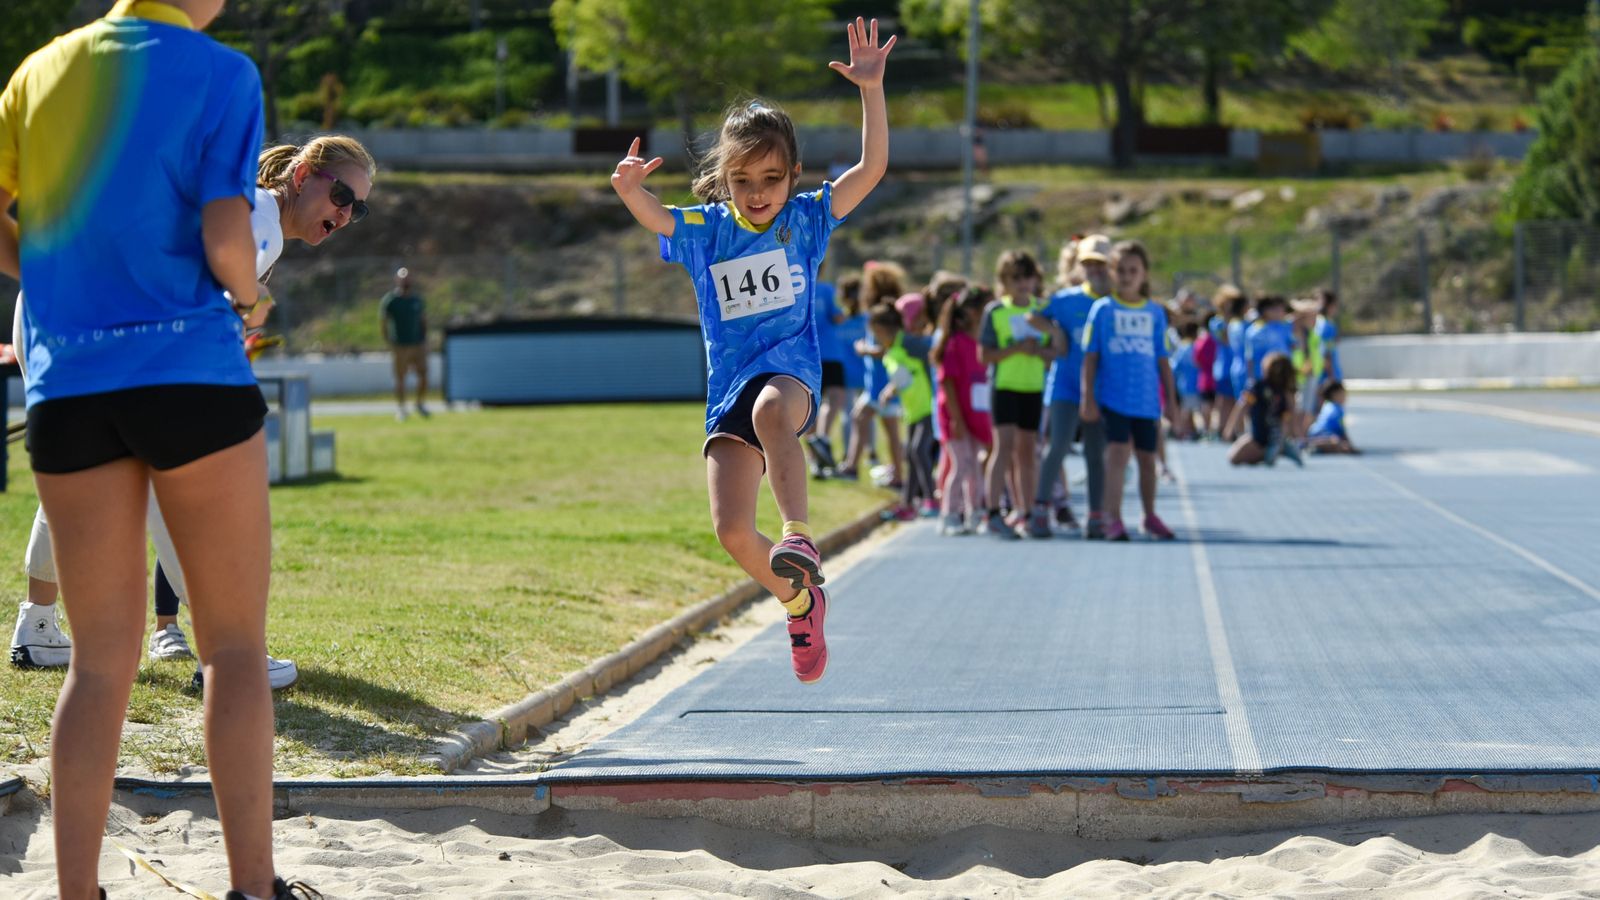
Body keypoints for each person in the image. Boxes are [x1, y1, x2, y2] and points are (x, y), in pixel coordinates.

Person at [0, 1, 322, 897]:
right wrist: (250, 298)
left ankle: (77, 893)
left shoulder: (38, 71)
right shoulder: (219, 71)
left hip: (72, 381)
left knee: (99, 663)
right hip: (189, 370)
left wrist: (60, 276)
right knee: (233, 651)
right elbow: (227, 236)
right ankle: (253, 889)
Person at [12, 133, 376, 694]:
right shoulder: (257, 217)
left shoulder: (254, 216)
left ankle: (37, 627)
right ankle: (227, 654)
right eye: (343, 196)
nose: (347, 214)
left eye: (359, 207)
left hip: (57, 303)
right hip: (90, 315)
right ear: (303, 177)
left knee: (78, 476)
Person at [609, 16, 895, 684]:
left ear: (793, 174)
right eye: (743, 180)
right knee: (733, 532)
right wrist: (629, 191)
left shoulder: (807, 218)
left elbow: (872, 167)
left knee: (772, 413)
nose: (759, 193)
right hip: (727, 388)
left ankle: (799, 531)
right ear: (724, 179)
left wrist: (871, 91)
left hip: (790, 375)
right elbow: (658, 217)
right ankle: (801, 600)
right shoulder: (707, 232)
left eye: (771, 177)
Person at [1080, 241, 1178, 541]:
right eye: (1120, 270)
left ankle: (1149, 515)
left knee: (1148, 460)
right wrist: (1088, 397)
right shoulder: (1102, 310)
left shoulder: (1155, 313)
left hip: (1146, 400)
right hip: (1113, 397)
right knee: (1117, 457)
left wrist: (1171, 401)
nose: (1126, 276)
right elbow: (1090, 357)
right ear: (1111, 272)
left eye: (1132, 270)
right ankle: (1113, 517)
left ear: (1144, 274)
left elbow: (1162, 358)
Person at [1030, 233, 1112, 539]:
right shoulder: (1066, 300)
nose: (1095, 269)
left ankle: (1096, 515)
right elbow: (1033, 317)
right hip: (1065, 386)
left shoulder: (1113, 302)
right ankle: (1040, 508)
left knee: (1095, 453)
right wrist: (1054, 332)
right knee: (1059, 445)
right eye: (1089, 263)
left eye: (1100, 264)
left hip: (1101, 390)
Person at [980, 249, 1054, 539]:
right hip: (1004, 387)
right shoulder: (996, 311)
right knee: (1004, 447)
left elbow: (1055, 350)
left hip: (1033, 388)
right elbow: (984, 355)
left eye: (1027, 278)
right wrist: (1015, 349)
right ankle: (993, 511)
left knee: (1028, 452)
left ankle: (1027, 512)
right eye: (1016, 278)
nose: (1023, 284)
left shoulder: (1042, 310)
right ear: (1005, 281)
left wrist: (1041, 350)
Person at [932, 286, 992, 535]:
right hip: (955, 415)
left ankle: (974, 510)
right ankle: (949, 513)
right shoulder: (955, 344)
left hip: (974, 412)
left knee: (975, 465)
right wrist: (957, 418)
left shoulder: (980, 343)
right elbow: (948, 382)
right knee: (962, 463)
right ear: (968, 312)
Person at [873, 297, 936, 520]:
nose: (875, 339)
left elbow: (933, 351)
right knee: (911, 453)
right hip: (912, 409)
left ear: (881, 329)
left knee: (919, 450)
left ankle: (931, 499)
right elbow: (904, 375)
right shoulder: (893, 349)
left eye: (876, 334)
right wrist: (890, 390)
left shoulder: (909, 343)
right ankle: (908, 504)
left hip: (928, 405)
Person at [845, 260, 907, 486]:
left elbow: (889, 348)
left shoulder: (883, 314)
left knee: (888, 430)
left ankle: (897, 476)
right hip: (876, 384)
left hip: (885, 383)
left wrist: (865, 350)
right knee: (861, 418)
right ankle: (852, 466)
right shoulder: (882, 311)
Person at [1227, 352, 1304, 467]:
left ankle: (1272, 451)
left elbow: (1242, 406)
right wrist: (1293, 434)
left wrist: (1231, 428)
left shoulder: (1257, 386)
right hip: (1275, 434)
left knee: (1233, 458)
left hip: (1259, 435)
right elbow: (1290, 416)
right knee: (1240, 452)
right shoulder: (1285, 391)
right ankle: (1280, 447)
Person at [381, 267, 428, 421]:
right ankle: (401, 408)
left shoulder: (416, 300)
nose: (405, 281)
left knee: (423, 374)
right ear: (397, 280)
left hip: (417, 344)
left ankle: (420, 404)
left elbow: (423, 320)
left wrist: (424, 340)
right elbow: (383, 321)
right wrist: (388, 340)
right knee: (400, 377)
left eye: (407, 278)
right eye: (402, 278)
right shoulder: (391, 300)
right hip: (400, 345)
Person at [1170, 321, 1203, 440]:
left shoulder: (1182, 347)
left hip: (1184, 383)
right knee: (1188, 409)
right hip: (1194, 383)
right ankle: (1182, 431)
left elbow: (1174, 366)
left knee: (1188, 408)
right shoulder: (1194, 346)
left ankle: (1189, 430)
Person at [1308, 380, 1358, 454]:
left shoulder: (1327, 405)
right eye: (1343, 394)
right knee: (1338, 443)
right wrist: (1350, 445)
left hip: (1316, 432)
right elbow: (1342, 429)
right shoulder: (1336, 409)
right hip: (1322, 433)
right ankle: (1314, 444)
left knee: (1339, 444)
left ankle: (1320, 447)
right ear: (1335, 395)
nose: (1345, 396)